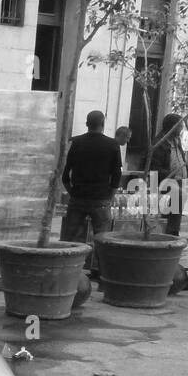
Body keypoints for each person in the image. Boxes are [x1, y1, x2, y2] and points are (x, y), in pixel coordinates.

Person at [61, 110, 123, 276]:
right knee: (103, 241)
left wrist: (72, 193)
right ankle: (103, 278)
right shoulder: (112, 145)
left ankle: (67, 274)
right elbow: (117, 174)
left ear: (87, 124)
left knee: (70, 239)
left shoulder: (76, 143)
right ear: (103, 124)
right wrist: (110, 196)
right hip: (101, 199)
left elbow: (65, 175)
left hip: (78, 198)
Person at [149, 113, 188, 235]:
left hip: (178, 180)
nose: (182, 128)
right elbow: (154, 169)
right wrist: (172, 175)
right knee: (178, 198)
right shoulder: (159, 144)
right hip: (165, 181)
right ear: (172, 127)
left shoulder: (176, 141)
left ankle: (169, 230)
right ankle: (172, 232)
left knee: (175, 206)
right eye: (179, 126)